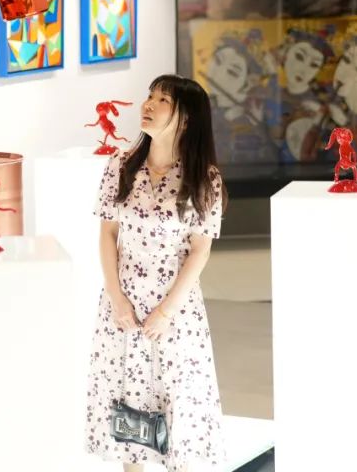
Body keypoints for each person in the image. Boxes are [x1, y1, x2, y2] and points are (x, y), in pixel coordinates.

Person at [85, 74, 228, 472]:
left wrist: (166, 311)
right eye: (149, 96)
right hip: (123, 309)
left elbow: (200, 250)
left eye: (162, 99)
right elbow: (107, 234)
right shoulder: (121, 165)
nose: (148, 105)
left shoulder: (204, 178)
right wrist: (116, 298)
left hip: (175, 312)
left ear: (186, 117)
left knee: (177, 407)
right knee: (128, 409)